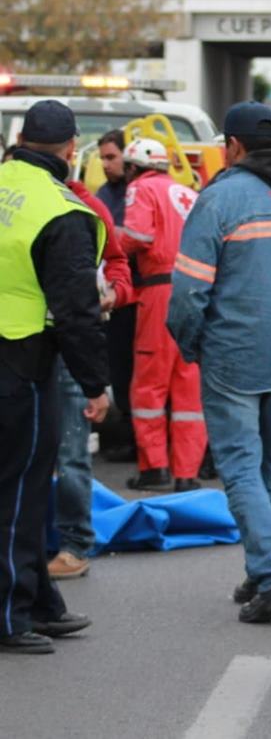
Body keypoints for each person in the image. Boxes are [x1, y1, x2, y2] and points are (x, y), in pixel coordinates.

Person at [166, 101, 271, 623]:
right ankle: (260, 566)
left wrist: (188, 343)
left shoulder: (221, 198)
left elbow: (187, 289)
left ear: (232, 146)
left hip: (234, 350)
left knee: (240, 468)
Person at [0, 100, 107, 654]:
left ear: (20, 138)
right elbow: (76, 309)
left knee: (24, 490)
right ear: (71, 150)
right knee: (19, 490)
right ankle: (9, 616)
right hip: (23, 358)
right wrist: (95, 385)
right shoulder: (58, 209)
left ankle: (40, 599)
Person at [46, 167, 134, 580]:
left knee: (70, 451)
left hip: (68, 348)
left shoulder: (85, 206)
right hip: (21, 345)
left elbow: (118, 264)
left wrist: (112, 293)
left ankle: (74, 543)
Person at [120, 137, 207, 492]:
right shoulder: (187, 192)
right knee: (188, 385)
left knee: (149, 383)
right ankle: (187, 472)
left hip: (158, 291)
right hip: (196, 291)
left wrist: (110, 239)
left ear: (134, 167)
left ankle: (154, 468)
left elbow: (138, 235)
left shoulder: (141, 188)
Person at [95, 128, 139, 463]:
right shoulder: (103, 195)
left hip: (144, 294)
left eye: (111, 157)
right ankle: (126, 435)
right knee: (119, 368)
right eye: (102, 159)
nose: (106, 164)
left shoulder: (138, 191)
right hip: (116, 298)